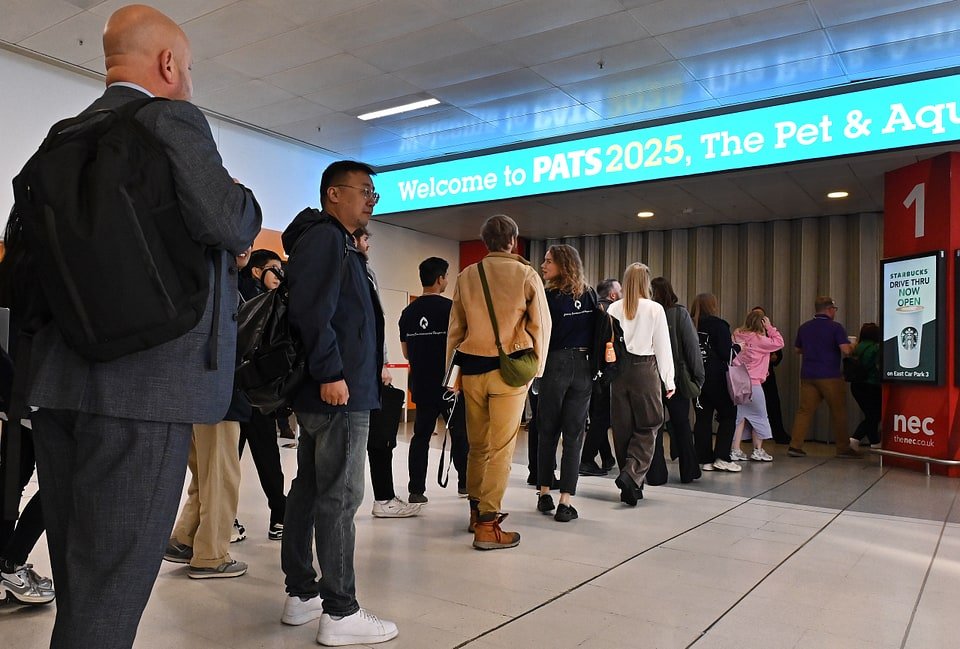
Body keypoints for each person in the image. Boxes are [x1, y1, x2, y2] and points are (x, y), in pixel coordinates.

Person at [20, 6, 261, 647]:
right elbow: (232, 223)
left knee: (80, 580)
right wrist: (238, 193)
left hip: (60, 387)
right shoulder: (171, 119)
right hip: (145, 394)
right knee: (112, 591)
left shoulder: (64, 135)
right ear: (168, 64)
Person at [280, 160, 397, 645]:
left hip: (339, 389)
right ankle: (341, 610)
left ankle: (302, 594)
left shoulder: (338, 244)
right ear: (334, 194)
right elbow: (312, 310)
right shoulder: (327, 239)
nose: (372, 200)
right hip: (337, 392)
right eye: (365, 191)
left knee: (311, 489)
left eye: (375, 193)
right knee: (340, 497)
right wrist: (331, 371)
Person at [447, 214, 551, 550]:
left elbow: (455, 331)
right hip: (509, 374)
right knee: (501, 448)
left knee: (477, 446)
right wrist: (537, 369)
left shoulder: (467, 276)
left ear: (486, 242)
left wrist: (450, 376)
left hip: (472, 372)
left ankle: (475, 512)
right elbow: (540, 327)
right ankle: (489, 525)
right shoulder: (525, 274)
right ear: (513, 240)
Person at [163, 249, 254, 579]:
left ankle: (185, 537)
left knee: (204, 472)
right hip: (216, 390)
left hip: (191, 389)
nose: (245, 250)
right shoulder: (221, 285)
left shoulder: (192, 277)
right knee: (221, 476)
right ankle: (212, 555)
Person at [357, 227, 420, 519]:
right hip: (354, 374)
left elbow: (376, 324)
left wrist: (382, 363)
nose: (368, 244)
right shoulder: (350, 272)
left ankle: (384, 497)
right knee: (359, 442)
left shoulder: (367, 273)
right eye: (365, 238)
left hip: (370, 372)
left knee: (380, 440)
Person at [399, 256, 468, 506]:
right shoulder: (451, 309)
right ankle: (464, 483)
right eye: (447, 276)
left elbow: (406, 353)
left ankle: (416, 489)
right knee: (460, 433)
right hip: (450, 385)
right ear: (440, 279)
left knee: (420, 437)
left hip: (421, 384)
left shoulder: (408, 312)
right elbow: (461, 348)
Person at [535, 245, 596, 523]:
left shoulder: (547, 297)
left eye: (549, 261)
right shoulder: (590, 294)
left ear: (563, 264)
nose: (544, 265)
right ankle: (565, 502)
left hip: (554, 364)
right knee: (574, 435)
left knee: (547, 430)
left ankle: (545, 492)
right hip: (583, 366)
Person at [607, 263, 674, 506]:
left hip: (619, 372)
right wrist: (669, 379)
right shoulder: (655, 309)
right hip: (645, 370)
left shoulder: (613, 308)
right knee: (650, 424)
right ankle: (631, 474)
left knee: (623, 429)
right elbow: (663, 347)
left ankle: (632, 486)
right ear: (646, 282)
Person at [237, 248, 288, 541]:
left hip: (260, 394)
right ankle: (226, 518)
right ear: (258, 272)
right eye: (274, 269)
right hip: (237, 391)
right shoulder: (243, 295)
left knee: (269, 458)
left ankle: (278, 516)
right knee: (230, 461)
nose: (280, 275)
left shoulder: (278, 302)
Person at [646, 277, 703, 485]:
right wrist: (698, 376)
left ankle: (656, 474)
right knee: (682, 424)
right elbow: (692, 347)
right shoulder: (679, 314)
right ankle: (689, 471)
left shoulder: (647, 314)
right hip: (677, 378)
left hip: (650, 377)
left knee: (655, 426)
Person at [788, 296, 860, 458]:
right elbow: (846, 350)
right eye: (834, 309)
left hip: (807, 375)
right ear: (829, 309)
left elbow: (797, 350)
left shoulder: (804, 327)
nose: (835, 312)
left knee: (804, 411)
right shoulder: (835, 327)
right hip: (830, 376)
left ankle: (795, 445)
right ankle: (843, 448)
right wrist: (854, 345)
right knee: (838, 411)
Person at [689, 293, 740, 473]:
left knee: (702, 418)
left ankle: (704, 459)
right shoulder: (720, 325)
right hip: (717, 378)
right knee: (728, 414)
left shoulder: (690, 323)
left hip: (696, 379)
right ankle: (722, 457)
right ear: (713, 306)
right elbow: (727, 354)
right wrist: (738, 347)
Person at [730, 310, 784, 462]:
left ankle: (735, 449)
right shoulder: (760, 339)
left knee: (739, 418)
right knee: (759, 417)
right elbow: (779, 342)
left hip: (739, 382)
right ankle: (758, 450)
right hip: (754, 384)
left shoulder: (737, 334)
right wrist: (770, 327)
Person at [579, 278, 621, 476]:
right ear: (612, 294)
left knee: (597, 416)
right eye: (619, 290)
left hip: (588, 370)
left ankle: (606, 457)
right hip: (605, 371)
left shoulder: (590, 310)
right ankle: (586, 459)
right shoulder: (612, 312)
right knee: (602, 418)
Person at [752, 306, 790, 444]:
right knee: (753, 408)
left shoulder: (765, 335)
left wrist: (775, 358)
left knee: (772, 404)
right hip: (756, 376)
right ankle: (753, 439)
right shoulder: (749, 334)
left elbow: (778, 352)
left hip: (766, 375)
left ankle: (777, 433)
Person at [849, 322, 882, 449]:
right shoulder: (876, 347)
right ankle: (855, 438)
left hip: (856, 385)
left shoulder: (856, 346)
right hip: (871, 385)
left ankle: (875, 442)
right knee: (874, 415)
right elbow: (874, 365)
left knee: (870, 415)